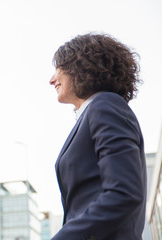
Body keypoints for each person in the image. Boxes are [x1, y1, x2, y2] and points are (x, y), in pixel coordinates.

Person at [49, 33, 146, 240]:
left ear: (80, 66)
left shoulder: (105, 105)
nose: (51, 80)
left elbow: (124, 192)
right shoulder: (95, 111)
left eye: (58, 69)